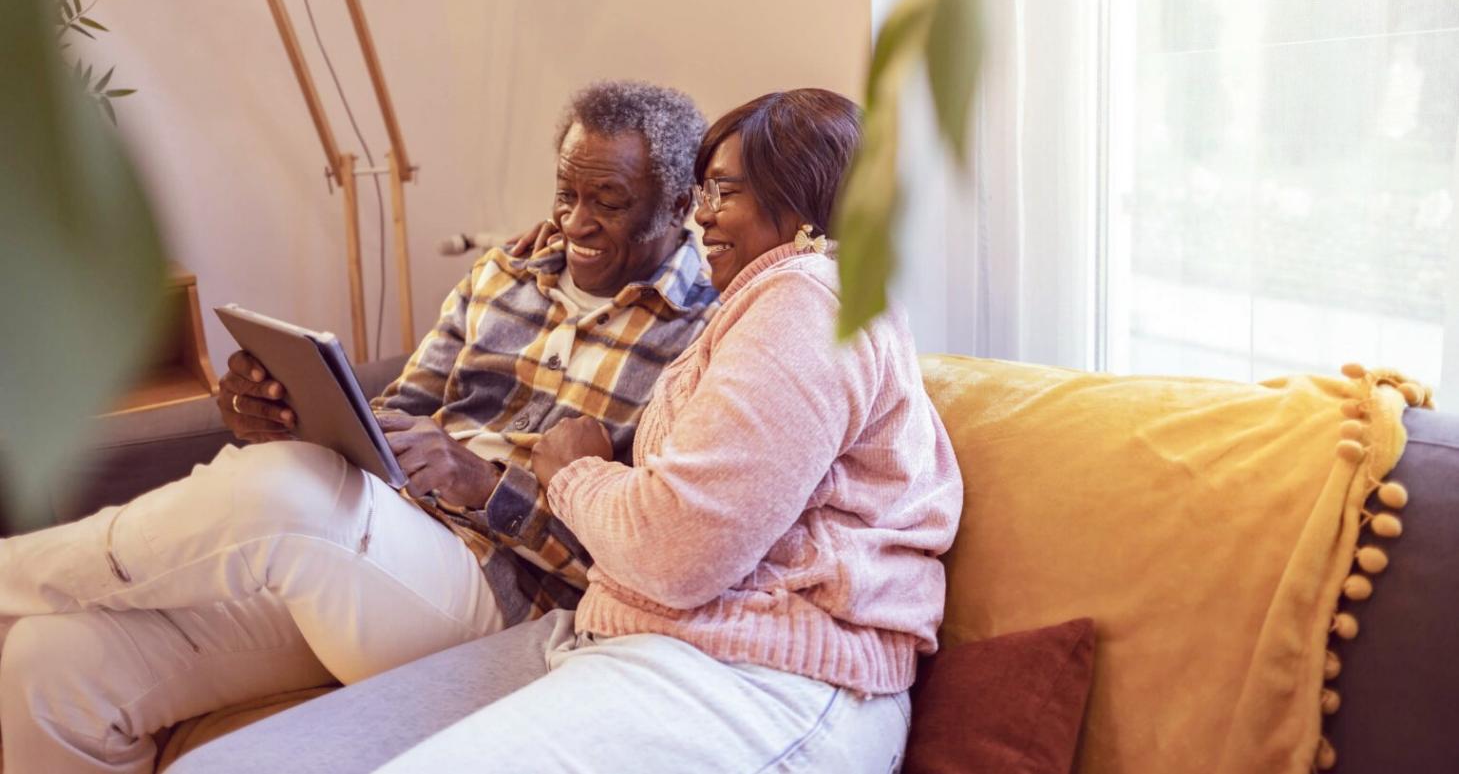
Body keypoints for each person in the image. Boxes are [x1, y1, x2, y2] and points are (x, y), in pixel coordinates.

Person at [171, 88, 964, 774]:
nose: (702, 217)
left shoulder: (808, 298)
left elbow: (677, 550)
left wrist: (574, 468)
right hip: (619, 636)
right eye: (702, 191)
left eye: (722, 192)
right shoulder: (765, 309)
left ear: (803, 207)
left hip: (762, 674)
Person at [0, 80, 719, 774]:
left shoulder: (705, 337)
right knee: (50, 665)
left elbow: (646, 556)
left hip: (503, 597)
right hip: (376, 559)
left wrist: (483, 483)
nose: (575, 222)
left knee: (289, 491)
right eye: (566, 193)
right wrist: (288, 417)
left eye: (609, 201)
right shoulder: (507, 272)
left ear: (679, 203)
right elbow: (399, 411)